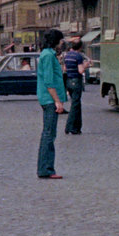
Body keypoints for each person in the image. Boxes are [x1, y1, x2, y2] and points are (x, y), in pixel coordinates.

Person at [36, 29, 67, 179]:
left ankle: (45, 168)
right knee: (49, 134)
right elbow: (49, 81)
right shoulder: (48, 56)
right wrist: (57, 101)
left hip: (48, 98)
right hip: (49, 99)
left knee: (49, 133)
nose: (62, 43)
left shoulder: (48, 54)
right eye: (61, 41)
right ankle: (46, 169)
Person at [61, 37, 90, 136]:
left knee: (77, 105)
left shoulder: (67, 55)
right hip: (76, 81)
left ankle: (77, 128)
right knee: (75, 105)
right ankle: (69, 127)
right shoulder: (78, 56)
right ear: (81, 47)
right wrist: (86, 65)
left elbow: (64, 68)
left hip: (69, 81)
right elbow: (81, 70)